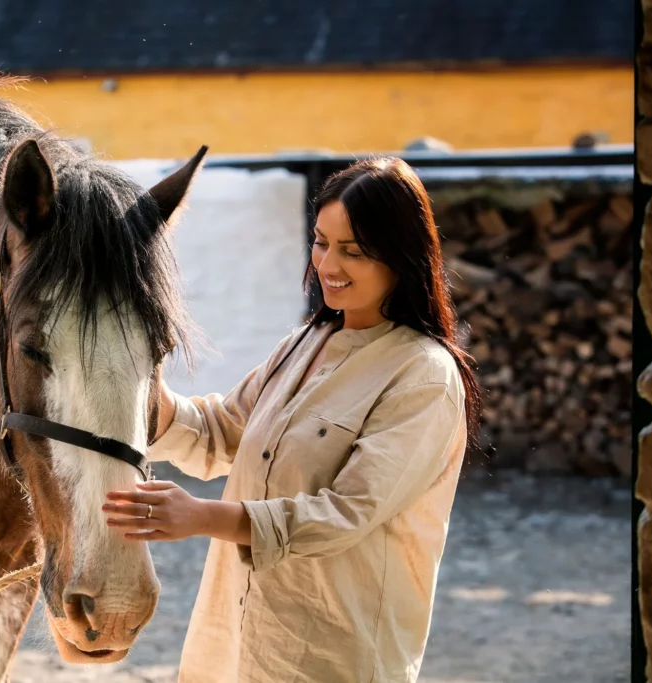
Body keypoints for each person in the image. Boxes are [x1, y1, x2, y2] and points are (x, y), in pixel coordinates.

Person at [101, 156, 483, 683]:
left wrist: (202, 517)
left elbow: (345, 514)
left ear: (401, 256)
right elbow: (219, 432)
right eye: (322, 242)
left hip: (330, 655)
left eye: (354, 251)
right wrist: (130, 378)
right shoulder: (304, 345)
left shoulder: (423, 376)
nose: (328, 264)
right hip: (233, 647)